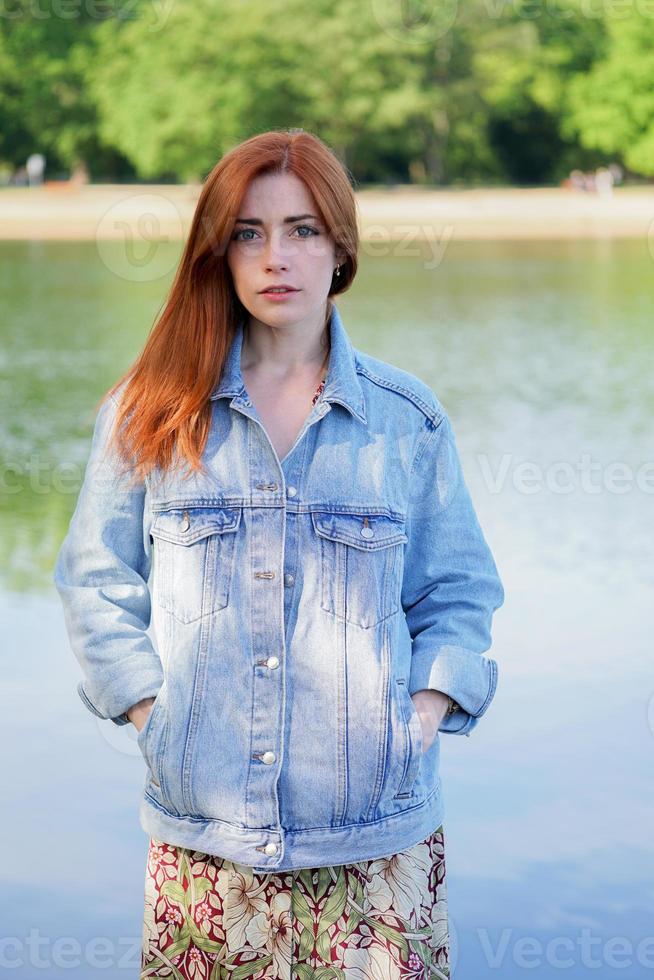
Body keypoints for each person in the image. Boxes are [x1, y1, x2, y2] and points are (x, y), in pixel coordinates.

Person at [54, 129, 504, 979]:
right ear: (218, 252)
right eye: (249, 233)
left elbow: (459, 593)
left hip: (378, 846)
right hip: (204, 848)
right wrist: (155, 719)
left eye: (302, 229)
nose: (276, 257)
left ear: (341, 246)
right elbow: (94, 582)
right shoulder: (150, 410)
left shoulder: (406, 419)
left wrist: (417, 722)